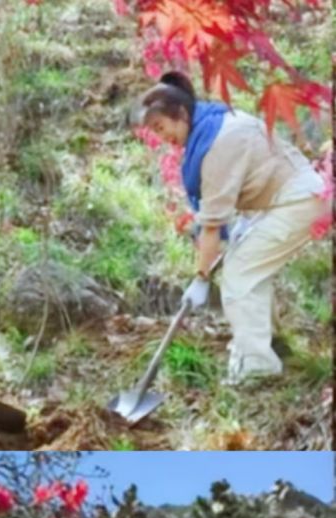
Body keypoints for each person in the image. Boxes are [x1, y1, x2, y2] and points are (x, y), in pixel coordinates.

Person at [136, 71, 328, 384]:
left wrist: (200, 278)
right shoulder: (217, 121)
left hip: (298, 201)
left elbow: (211, 227)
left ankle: (258, 367)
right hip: (283, 198)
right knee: (250, 268)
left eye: (161, 127)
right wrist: (242, 225)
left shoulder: (216, 145)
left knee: (240, 272)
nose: (162, 138)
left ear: (181, 114)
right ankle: (272, 346)